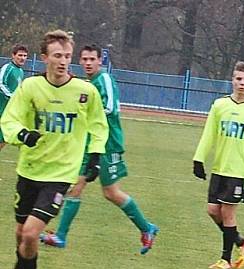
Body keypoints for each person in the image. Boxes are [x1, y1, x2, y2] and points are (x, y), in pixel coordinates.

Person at [0, 30, 108, 269]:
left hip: (60, 176)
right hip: (29, 170)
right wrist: (22, 135)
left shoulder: (85, 92)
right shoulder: (30, 87)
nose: (63, 61)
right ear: (45, 57)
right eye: (57, 55)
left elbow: (98, 125)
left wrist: (95, 156)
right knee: (20, 233)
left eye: (67, 56)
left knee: (31, 234)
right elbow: (9, 120)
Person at [40, 44, 159, 254]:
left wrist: (83, 114)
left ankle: (146, 228)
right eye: (84, 59)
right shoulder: (87, 84)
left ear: (99, 61)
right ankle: (61, 235)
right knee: (88, 188)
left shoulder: (103, 79)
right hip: (92, 143)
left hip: (108, 143)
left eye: (91, 59)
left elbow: (110, 108)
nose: (87, 63)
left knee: (105, 191)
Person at [192, 61, 244, 269]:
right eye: (238, 79)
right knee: (212, 210)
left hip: (241, 171)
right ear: (232, 79)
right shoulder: (220, 105)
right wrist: (199, 159)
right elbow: (209, 133)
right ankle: (240, 242)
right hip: (220, 168)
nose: (242, 83)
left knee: (228, 213)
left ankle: (225, 259)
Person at [0, 43, 28, 152]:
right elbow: (1, 83)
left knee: (4, 139)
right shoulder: (8, 67)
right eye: (20, 55)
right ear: (13, 55)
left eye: (25, 56)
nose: (23, 58)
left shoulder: (20, 71)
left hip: (8, 111)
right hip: (1, 107)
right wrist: (13, 97)